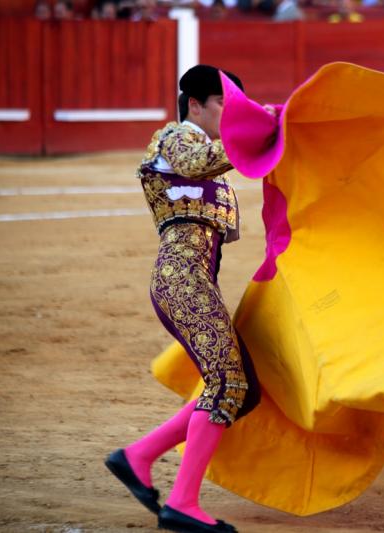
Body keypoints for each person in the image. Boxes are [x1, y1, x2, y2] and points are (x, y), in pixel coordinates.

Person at [105, 65, 261, 533]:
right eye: (223, 107)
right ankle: (183, 503)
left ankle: (138, 456)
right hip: (182, 281)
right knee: (228, 385)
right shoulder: (175, 138)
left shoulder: (203, 148)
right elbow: (198, 164)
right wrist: (253, 135)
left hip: (195, 281)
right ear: (195, 104)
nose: (228, 118)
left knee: (244, 390)